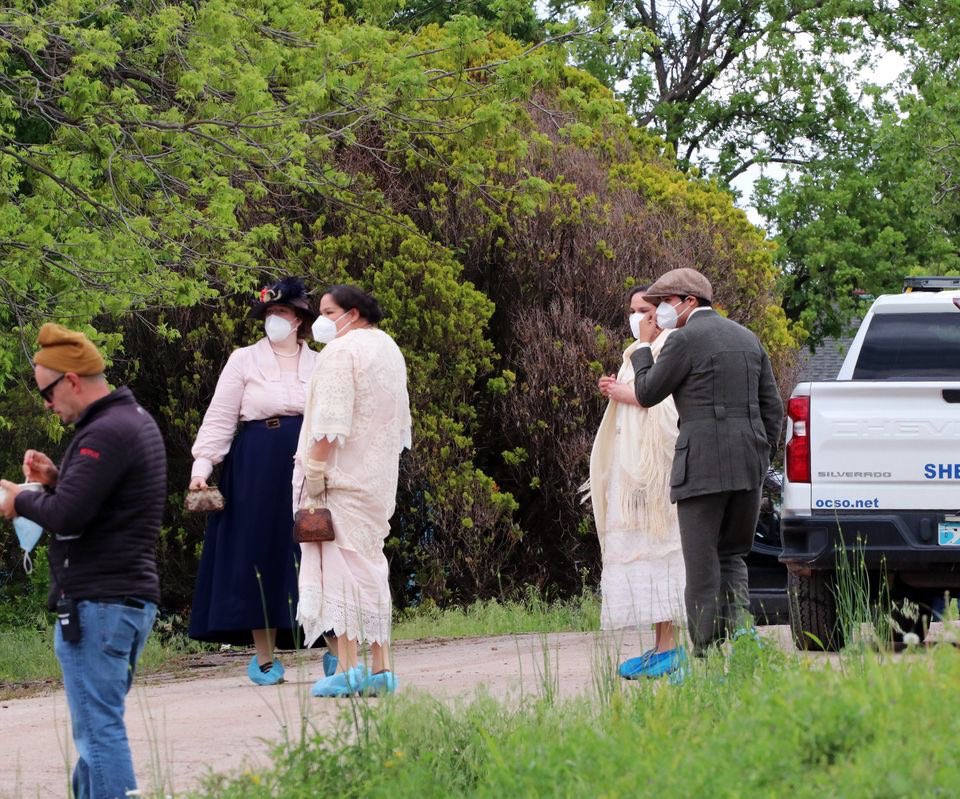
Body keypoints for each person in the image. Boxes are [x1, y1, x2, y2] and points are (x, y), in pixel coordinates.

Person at [0, 323, 167, 799]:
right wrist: (57, 479)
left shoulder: (106, 431)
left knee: (98, 732)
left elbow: (69, 515)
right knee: (96, 729)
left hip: (99, 605)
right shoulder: (131, 420)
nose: (46, 405)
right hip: (124, 601)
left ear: (71, 380)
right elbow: (97, 502)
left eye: (47, 394)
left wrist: (18, 501)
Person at [631, 268, 783, 656]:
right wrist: (760, 455)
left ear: (690, 301)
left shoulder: (683, 340)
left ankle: (706, 651)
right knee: (733, 556)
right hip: (748, 467)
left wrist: (644, 347)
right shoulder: (748, 338)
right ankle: (742, 639)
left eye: (666, 302)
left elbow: (647, 392)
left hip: (700, 468)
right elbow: (772, 407)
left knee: (701, 566)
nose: (660, 311)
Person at [187, 277, 319, 686]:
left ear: (298, 319)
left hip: (310, 464)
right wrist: (201, 469)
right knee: (259, 551)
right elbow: (220, 417)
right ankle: (264, 659)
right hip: (256, 466)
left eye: (281, 312)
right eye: (269, 313)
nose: (273, 319)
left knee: (315, 546)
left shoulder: (320, 363)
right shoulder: (243, 360)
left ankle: (335, 650)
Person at [294, 284, 411, 698]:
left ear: (354, 313)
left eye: (328, 312)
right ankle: (381, 667)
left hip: (340, 478)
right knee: (371, 566)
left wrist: (315, 471)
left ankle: (347, 667)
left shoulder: (342, 352)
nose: (321, 321)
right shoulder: (388, 348)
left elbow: (330, 423)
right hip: (377, 479)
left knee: (341, 567)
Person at [589, 287, 687, 679]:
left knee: (663, 552)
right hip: (632, 470)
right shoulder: (636, 351)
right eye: (631, 310)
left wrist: (623, 392)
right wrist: (616, 389)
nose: (637, 317)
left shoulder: (671, 346)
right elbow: (637, 393)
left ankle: (671, 646)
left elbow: (661, 402)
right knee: (644, 555)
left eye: (643, 309)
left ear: (659, 311)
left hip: (657, 469)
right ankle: (660, 646)